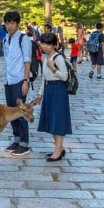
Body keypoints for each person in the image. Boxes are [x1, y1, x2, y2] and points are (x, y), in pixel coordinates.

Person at [37, 32, 72, 162]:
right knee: (51, 120)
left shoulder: (58, 58)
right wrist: (40, 93)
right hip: (49, 89)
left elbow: (65, 77)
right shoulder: (45, 57)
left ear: (54, 45)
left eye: (48, 44)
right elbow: (44, 78)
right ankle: (59, 148)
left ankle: (57, 152)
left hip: (58, 89)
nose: (45, 46)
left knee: (57, 121)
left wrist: (53, 68)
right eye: (43, 43)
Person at [1, 10, 32, 156]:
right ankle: (17, 140)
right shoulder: (6, 38)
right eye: (7, 23)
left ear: (17, 24)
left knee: (21, 111)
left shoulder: (23, 39)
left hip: (19, 80)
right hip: (8, 80)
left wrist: (26, 80)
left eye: (12, 23)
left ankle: (24, 144)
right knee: (11, 112)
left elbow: (27, 61)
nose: (9, 26)